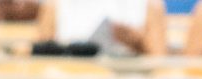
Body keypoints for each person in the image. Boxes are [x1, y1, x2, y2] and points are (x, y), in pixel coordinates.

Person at [34, 0, 167, 54]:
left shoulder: (151, 4)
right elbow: (40, 59)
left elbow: (160, 65)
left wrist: (138, 44)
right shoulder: (54, 4)